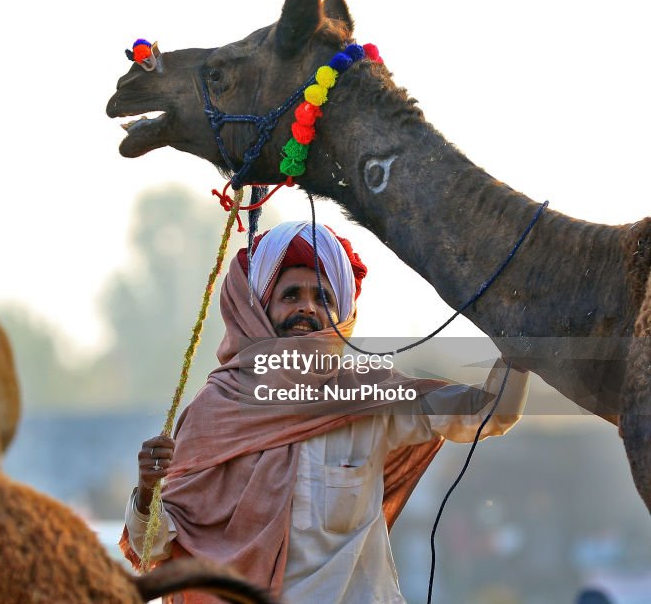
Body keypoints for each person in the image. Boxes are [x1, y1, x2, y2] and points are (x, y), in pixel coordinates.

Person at [122, 221, 529, 603]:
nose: (307, 309)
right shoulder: (215, 410)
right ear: (259, 309)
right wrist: (147, 490)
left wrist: (521, 345)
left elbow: (490, 412)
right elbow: (150, 547)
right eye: (291, 295)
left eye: (323, 298)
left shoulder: (370, 396)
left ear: (342, 315)